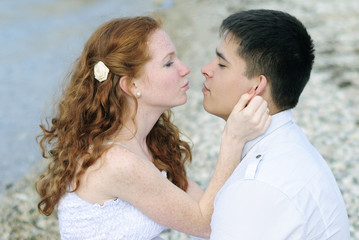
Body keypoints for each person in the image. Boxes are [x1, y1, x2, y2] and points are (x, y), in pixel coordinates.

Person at [35, 16, 271, 239]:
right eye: (168, 63)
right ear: (132, 85)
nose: (185, 69)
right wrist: (233, 138)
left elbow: (206, 206)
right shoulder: (115, 161)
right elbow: (206, 224)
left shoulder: (149, 142)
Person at [201, 9, 350, 239]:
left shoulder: (258, 187)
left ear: (257, 85)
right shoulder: (290, 146)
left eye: (221, 64)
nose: (206, 69)